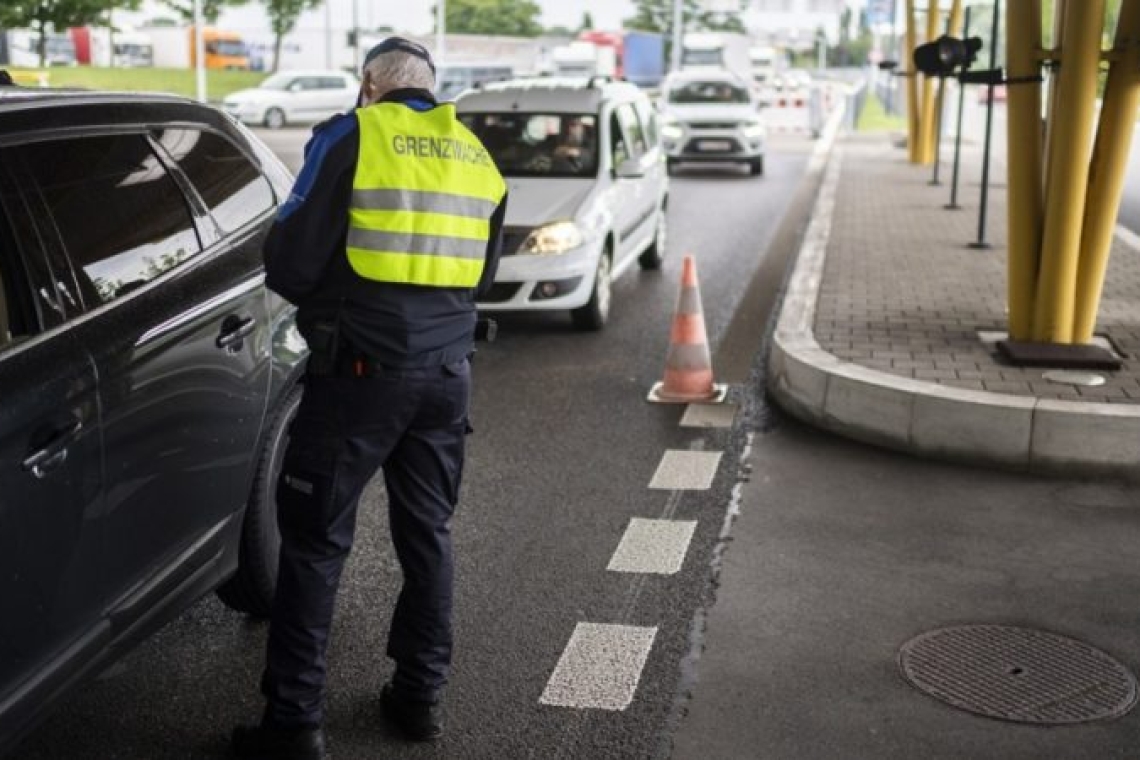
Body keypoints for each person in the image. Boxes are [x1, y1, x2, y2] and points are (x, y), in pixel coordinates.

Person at [231, 36, 507, 760]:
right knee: (428, 536)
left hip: (359, 372)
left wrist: (342, 308)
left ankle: (293, 724)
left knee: (317, 542)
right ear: (430, 87)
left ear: (369, 86)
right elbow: (483, 273)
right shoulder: (476, 156)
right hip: (448, 374)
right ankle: (419, 699)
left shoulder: (351, 134)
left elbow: (289, 258)